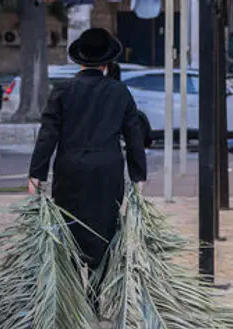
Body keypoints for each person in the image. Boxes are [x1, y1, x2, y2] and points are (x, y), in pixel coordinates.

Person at [28, 28, 147, 271]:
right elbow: (134, 136)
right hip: (107, 170)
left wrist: (36, 174)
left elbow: (48, 135)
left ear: (80, 59)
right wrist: (138, 176)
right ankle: (98, 284)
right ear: (107, 62)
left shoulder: (63, 90)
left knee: (69, 227)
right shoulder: (119, 91)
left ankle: (71, 283)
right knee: (105, 229)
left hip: (70, 169)